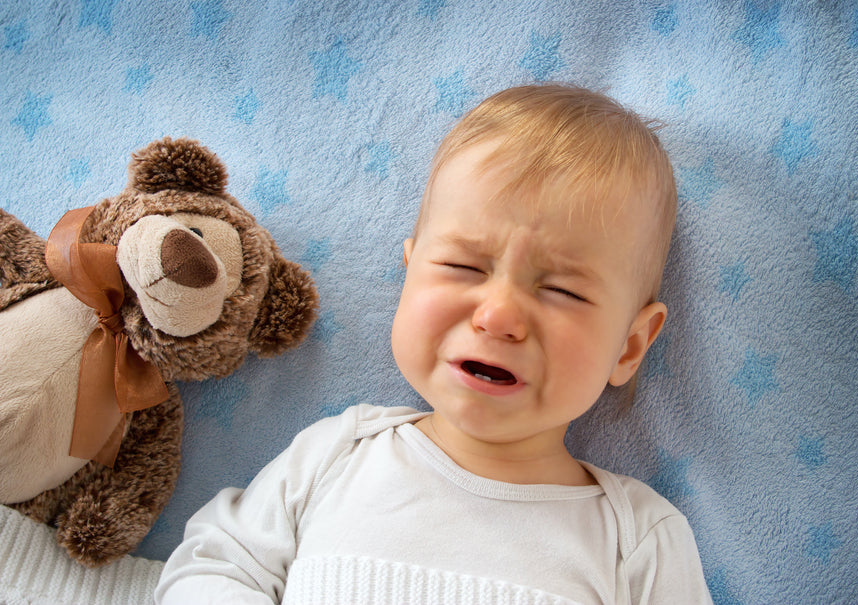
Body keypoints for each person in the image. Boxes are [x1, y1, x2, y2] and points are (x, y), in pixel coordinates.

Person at [155, 84, 713, 604]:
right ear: (409, 274)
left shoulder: (637, 542)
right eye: (463, 266)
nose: (498, 316)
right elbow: (215, 564)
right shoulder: (337, 456)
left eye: (563, 290)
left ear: (629, 346)